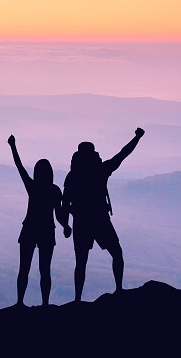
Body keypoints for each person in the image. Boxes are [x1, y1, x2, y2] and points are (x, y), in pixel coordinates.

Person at [63, 127, 144, 301]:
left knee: (81, 263)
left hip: (81, 222)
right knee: (116, 252)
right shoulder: (101, 171)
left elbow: (65, 203)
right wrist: (137, 138)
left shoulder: (72, 176)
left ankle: (78, 299)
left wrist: (65, 224)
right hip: (100, 219)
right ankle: (119, 289)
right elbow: (123, 154)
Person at [8, 135, 68, 306]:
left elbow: (19, 166)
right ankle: (45, 303)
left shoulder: (33, 186)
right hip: (47, 230)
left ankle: (20, 302)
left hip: (29, 229)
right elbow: (59, 215)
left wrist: (13, 146)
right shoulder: (55, 191)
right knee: (45, 271)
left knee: (24, 269)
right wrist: (65, 226)